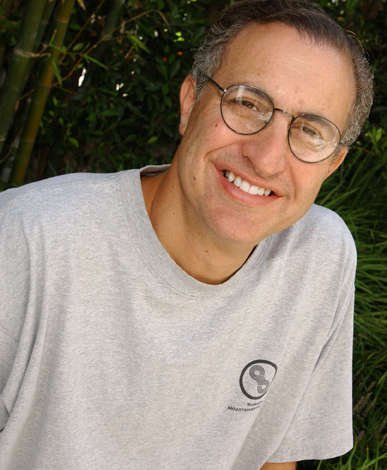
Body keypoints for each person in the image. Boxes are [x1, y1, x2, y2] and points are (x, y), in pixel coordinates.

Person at [0, 0, 374, 469]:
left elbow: (273, 460)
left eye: (310, 131)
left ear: (332, 164)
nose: (267, 158)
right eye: (246, 102)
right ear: (189, 102)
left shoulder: (320, 257)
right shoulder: (27, 239)